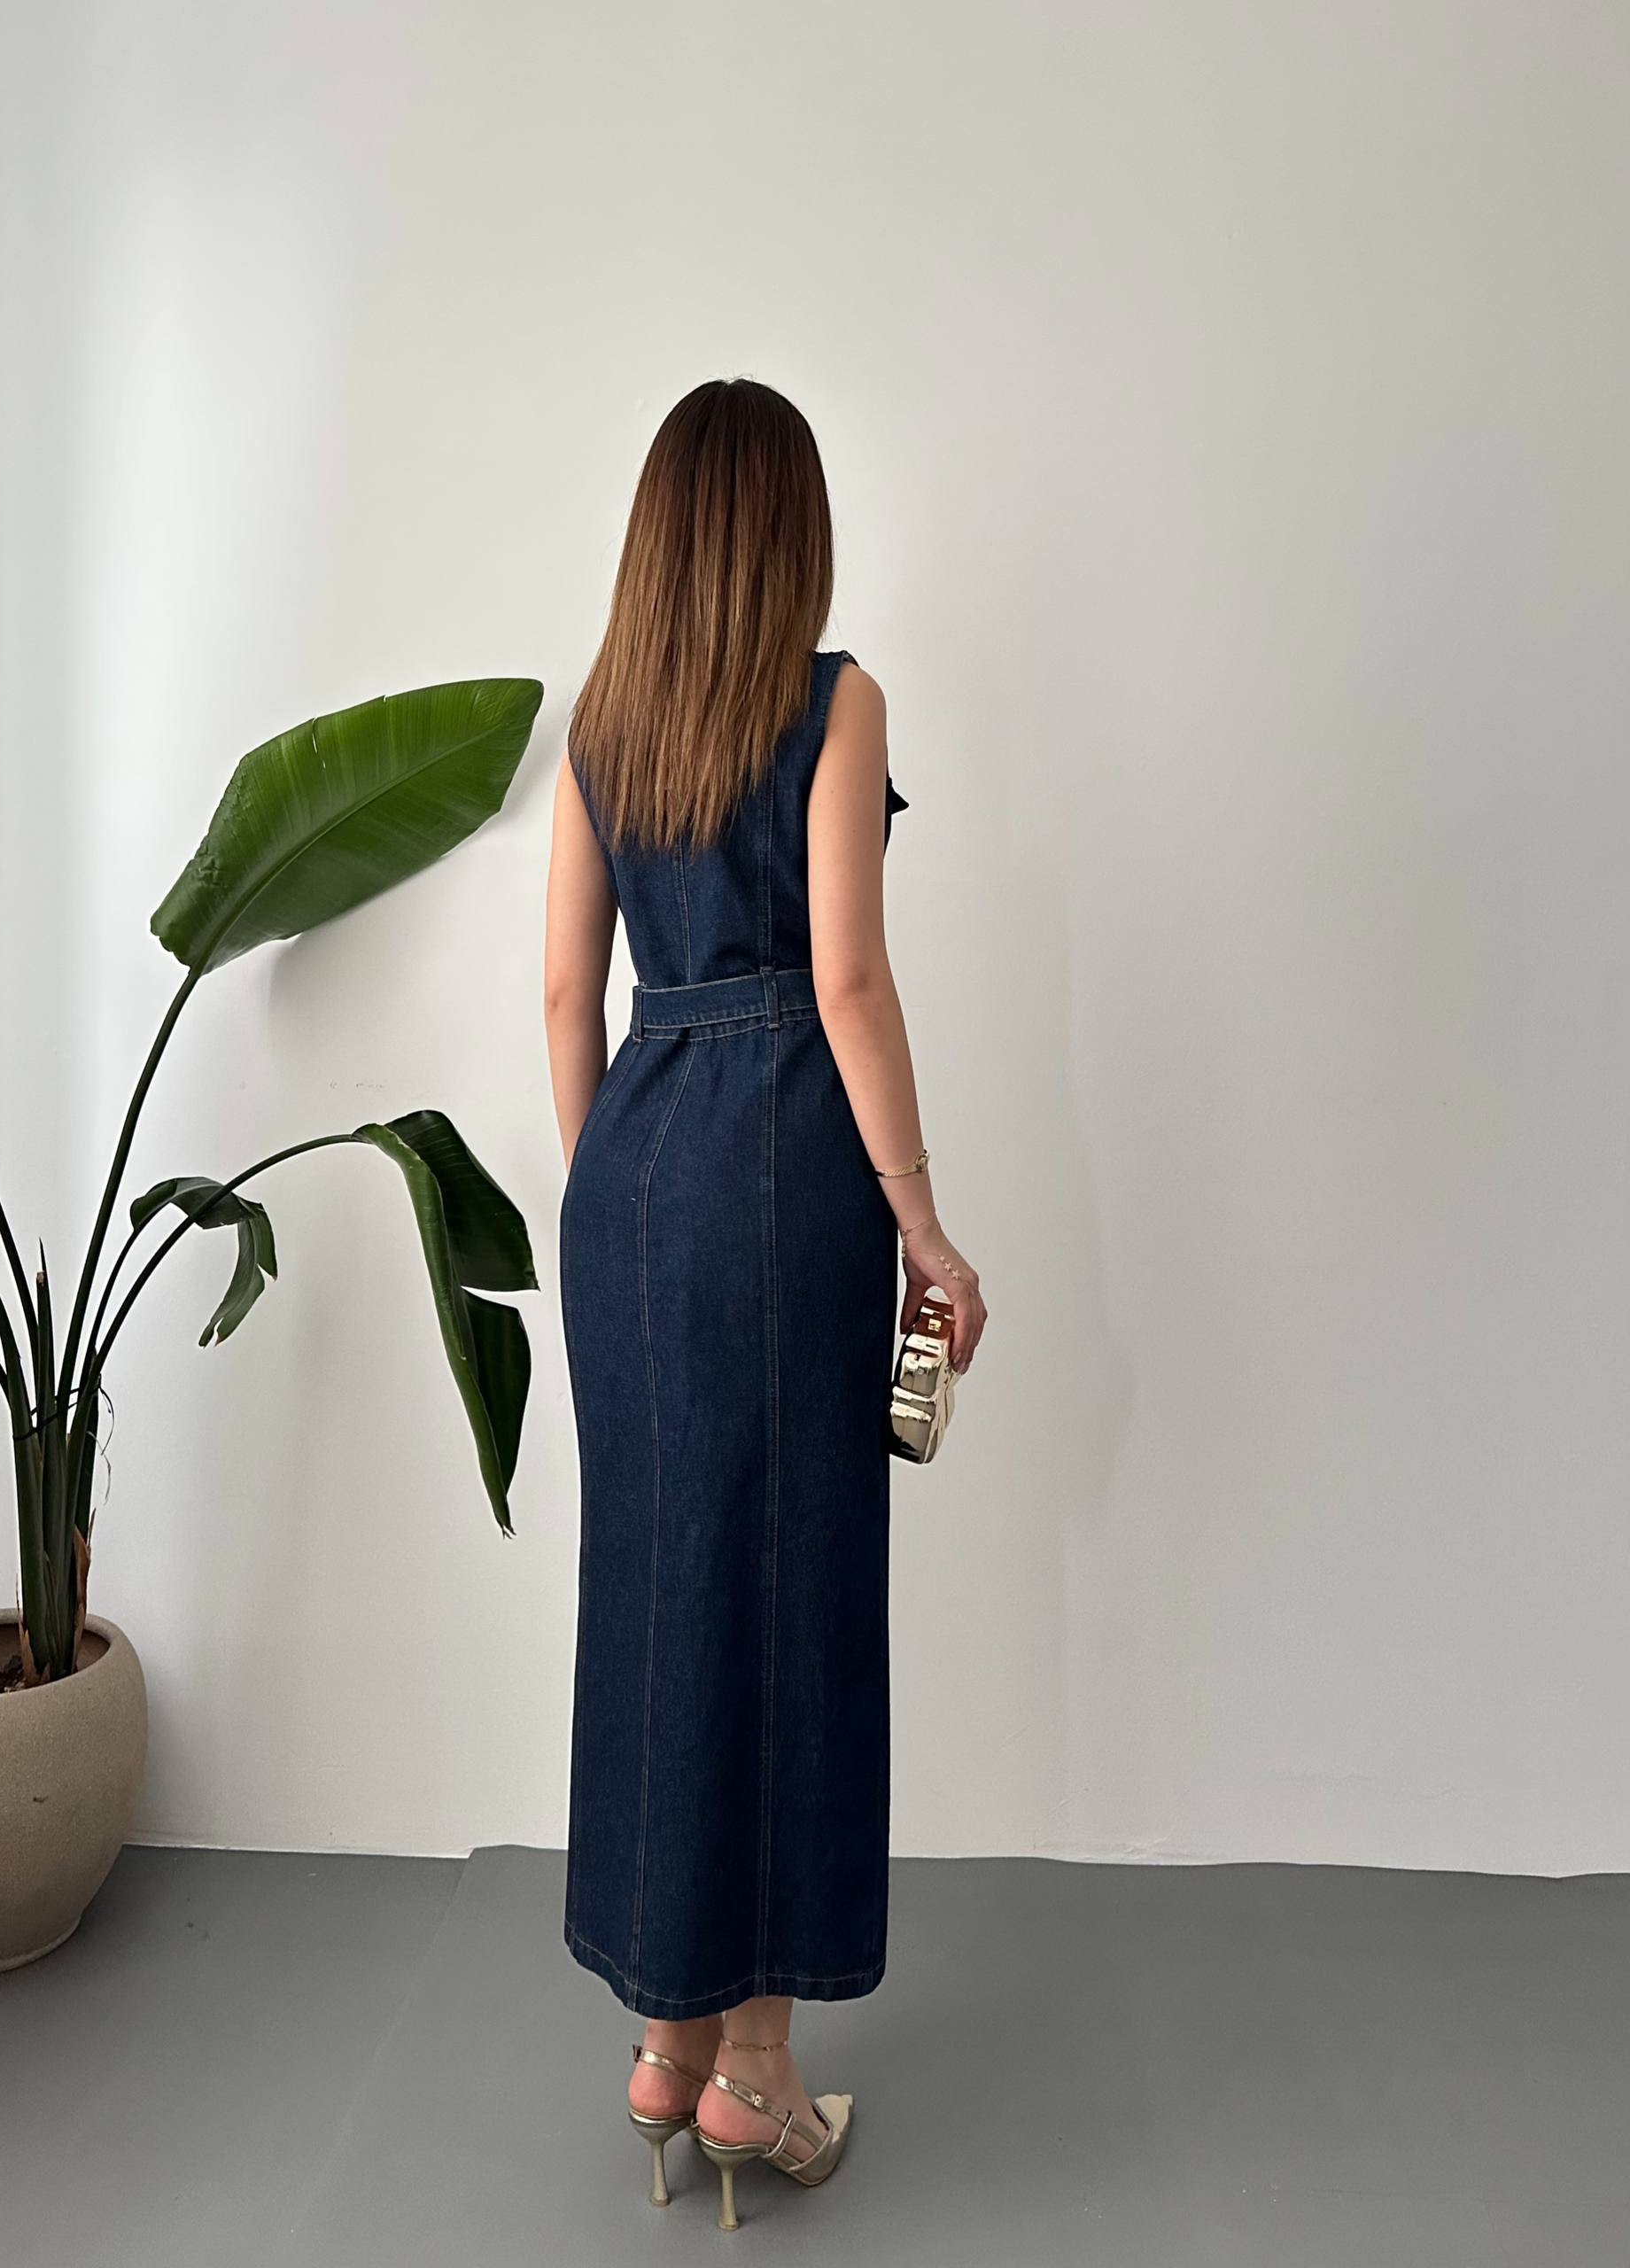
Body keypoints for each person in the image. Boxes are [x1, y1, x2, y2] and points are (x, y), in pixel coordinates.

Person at [544, 376, 987, 2229]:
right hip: (791, 1167)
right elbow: (851, 980)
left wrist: (613, 1195)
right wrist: (925, 1225)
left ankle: (664, 2039)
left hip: (632, 1172)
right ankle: (758, 2076)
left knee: (662, 1589)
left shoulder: (604, 715)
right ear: (790, 529)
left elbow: (565, 995)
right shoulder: (835, 700)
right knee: (790, 1596)